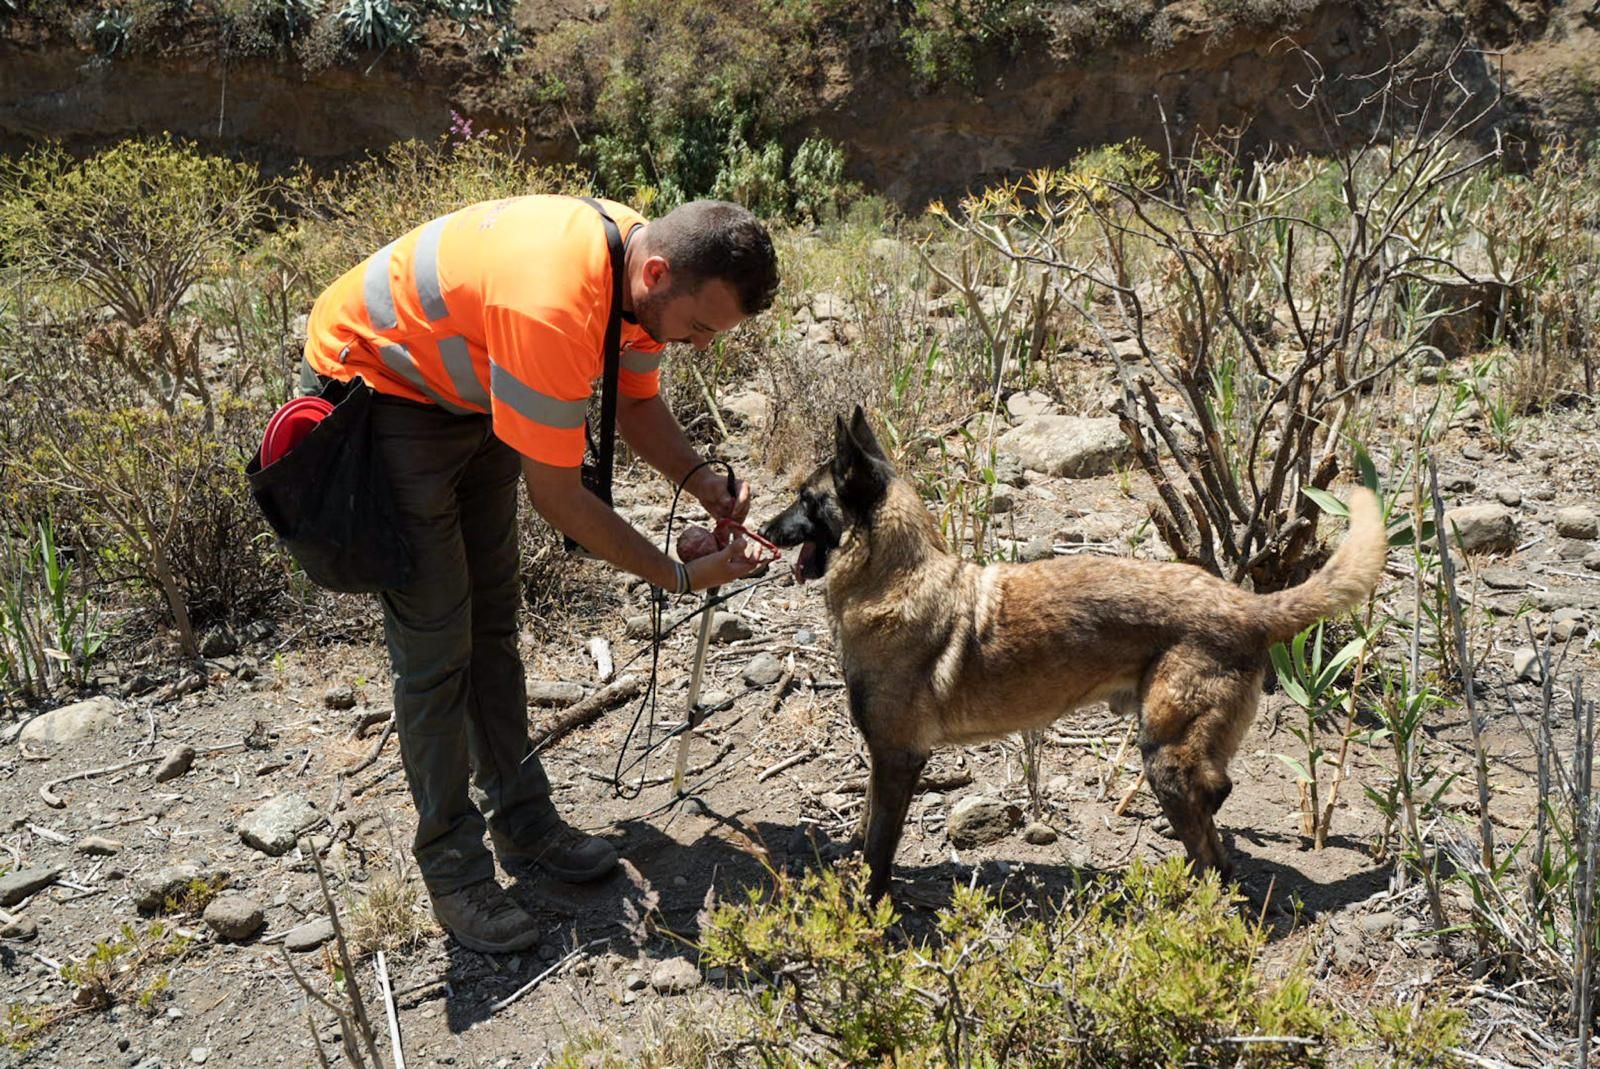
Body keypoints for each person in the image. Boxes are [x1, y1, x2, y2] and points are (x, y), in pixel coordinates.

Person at [299, 196, 779, 952]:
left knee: (492, 623)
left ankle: (523, 822)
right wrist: (680, 578)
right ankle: (454, 871)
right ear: (658, 274)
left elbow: (637, 402)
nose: (701, 345)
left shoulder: (637, 270)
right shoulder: (556, 303)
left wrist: (701, 480)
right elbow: (559, 499)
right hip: (380, 390)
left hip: (471, 385)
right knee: (438, 644)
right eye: (699, 327)